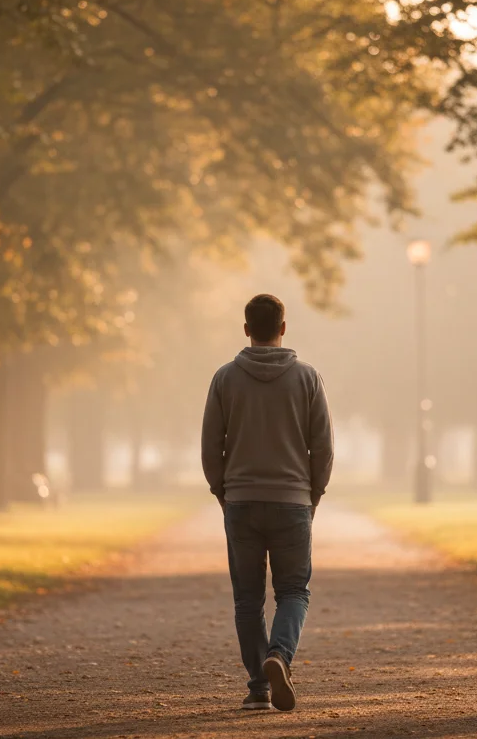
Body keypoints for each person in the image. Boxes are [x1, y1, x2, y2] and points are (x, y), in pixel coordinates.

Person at [200, 293, 334, 712]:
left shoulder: (224, 378)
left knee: (247, 600)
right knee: (294, 591)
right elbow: (323, 447)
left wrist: (221, 491)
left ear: (246, 330)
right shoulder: (308, 378)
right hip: (293, 501)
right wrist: (314, 494)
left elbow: (210, 446)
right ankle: (280, 655)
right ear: (283, 327)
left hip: (240, 501)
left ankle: (259, 686)